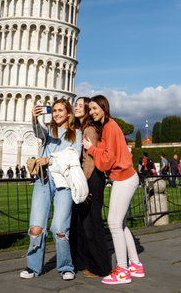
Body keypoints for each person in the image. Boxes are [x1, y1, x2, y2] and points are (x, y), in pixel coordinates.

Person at [83, 95, 144, 286]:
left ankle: (122, 270)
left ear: (104, 107)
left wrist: (91, 149)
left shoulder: (109, 127)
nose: (92, 112)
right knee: (122, 224)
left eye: (95, 108)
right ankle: (135, 264)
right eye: (90, 109)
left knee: (114, 223)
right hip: (126, 177)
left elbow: (107, 160)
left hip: (124, 178)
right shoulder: (110, 126)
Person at [20, 99, 82, 281]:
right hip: (44, 180)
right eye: (54, 110)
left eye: (60, 110)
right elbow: (38, 132)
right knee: (36, 227)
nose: (57, 113)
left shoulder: (75, 134)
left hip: (64, 182)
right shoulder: (49, 130)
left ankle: (65, 267)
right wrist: (34, 119)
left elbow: (74, 157)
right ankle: (33, 267)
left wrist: (51, 160)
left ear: (68, 113)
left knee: (59, 228)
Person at [70, 97, 111, 278]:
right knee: (80, 223)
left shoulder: (89, 129)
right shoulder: (79, 129)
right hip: (83, 179)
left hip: (90, 179)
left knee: (91, 225)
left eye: (80, 105)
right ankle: (82, 262)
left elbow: (90, 161)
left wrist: (83, 186)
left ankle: (100, 267)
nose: (76, 107)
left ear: (87, 110)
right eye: (76, 105)